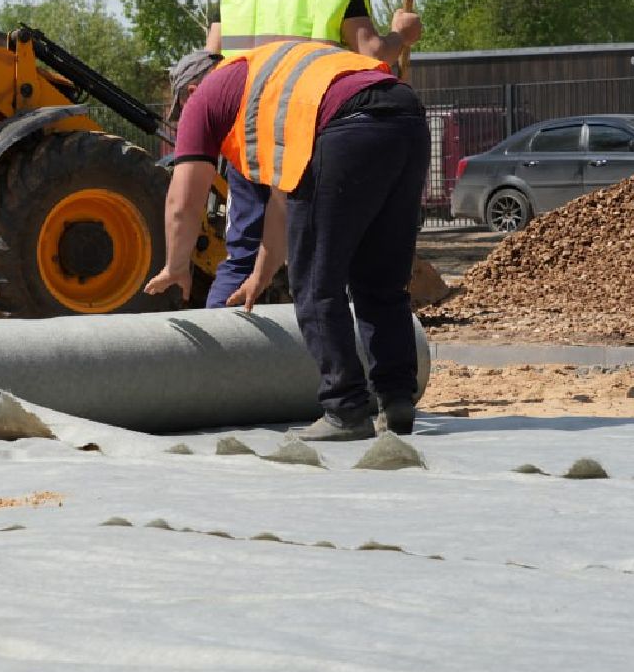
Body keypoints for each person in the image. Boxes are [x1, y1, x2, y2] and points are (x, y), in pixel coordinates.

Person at [144, 39, 430, 441]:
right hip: (406, 115)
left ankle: (344, 408)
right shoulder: (272, 80)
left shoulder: (206, 98)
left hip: (347, 125)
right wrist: (261, 274)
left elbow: (183, 200)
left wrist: (176, 265)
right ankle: (397, 399)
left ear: (190, 92)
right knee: (380, 279)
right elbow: (285, 196)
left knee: (316, 282)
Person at [196, 0, 422, 309]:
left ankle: (219, 349)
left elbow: (214, 51)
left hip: (245, 121)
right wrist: (401, 35)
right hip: (308, 119)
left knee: (244, 243)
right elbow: (371, 52)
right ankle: (322, 341)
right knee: (314, 246)